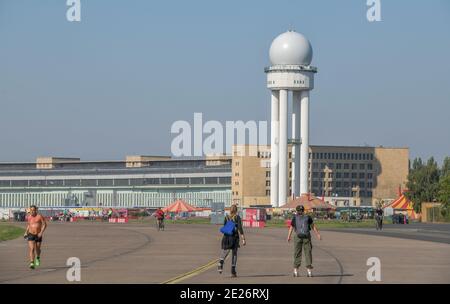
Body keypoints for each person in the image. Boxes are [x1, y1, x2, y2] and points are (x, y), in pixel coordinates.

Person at [287, 205, 321, 278]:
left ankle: (295, 271)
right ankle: (309, 271)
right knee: (308, 252)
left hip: (297, 237)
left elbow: (291, 227)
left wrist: (288, 236)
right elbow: (313, 226)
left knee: (297, 253)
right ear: (303, 210)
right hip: (306, 237)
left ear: (297, 211)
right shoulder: (308, 217)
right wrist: (318, 234)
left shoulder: (294, 218)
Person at [218, 204, 246, 278]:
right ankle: (233, 271)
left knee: (225, 251)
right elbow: (240, 228)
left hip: (226, 237)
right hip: (234, 238)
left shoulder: (226, 217)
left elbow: (224, 227)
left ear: (230, 210)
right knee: (234, 253)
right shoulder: (237, 217)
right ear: (236, 210)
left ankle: (221, 262)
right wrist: (243, 239)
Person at [23, 205, 47, 269]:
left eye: (34, 210)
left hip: (38, 234)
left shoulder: (39, 216)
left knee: (37, 249)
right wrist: (26, 232)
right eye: (31, 210)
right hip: (31, 234)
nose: (32, 211)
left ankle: (38, 257)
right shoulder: (29, 217)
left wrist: (41, 232)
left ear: (36, 210)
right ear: (30, 210)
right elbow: (29, 225)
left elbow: (45, 224)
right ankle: (32, 263)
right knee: (32, 249)